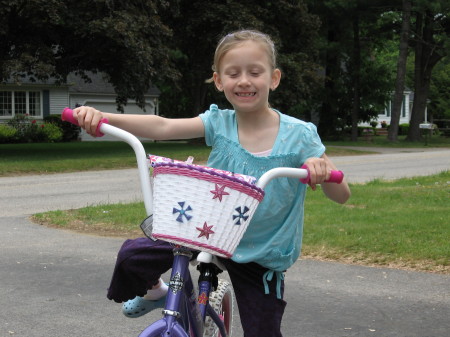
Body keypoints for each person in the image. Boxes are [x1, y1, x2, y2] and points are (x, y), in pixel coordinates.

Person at [73, 29, 351, 337]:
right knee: (133, 256)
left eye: (254, 72)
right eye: (233, 73)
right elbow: (163, 126)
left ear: (274, 78)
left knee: (263, 329)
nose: (244, 80)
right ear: (219, 81)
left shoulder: (300, 135)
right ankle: (158, 292)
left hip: (260, 252)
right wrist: (105, 118)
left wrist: (321, 171)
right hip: (206, 230)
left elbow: (342, 194)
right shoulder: (220, 123)